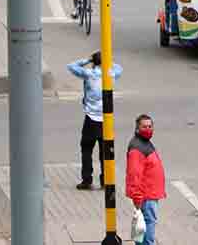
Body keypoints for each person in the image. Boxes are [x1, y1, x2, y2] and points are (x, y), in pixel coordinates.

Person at [69, 52, 122, 190]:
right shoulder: (112, 73)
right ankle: (105, 180)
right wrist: (108, 61)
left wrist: (86, 60)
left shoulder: (89, 74)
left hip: (91, 118)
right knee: (105, 152)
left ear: (94, 62)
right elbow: (119, 68)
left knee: (86, 149)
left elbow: (71, 66)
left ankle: (87, 180)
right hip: (106, 118)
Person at [126, 114, 166, 244]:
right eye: (144, 126)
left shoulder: (144, 143)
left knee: (141, 227)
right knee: (147, 226)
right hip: (146, 196)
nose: (148, 129)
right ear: (137, 129)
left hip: (149, 194)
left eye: (150, 126)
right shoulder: (137, 148)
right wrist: (137, 198)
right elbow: (134, 176)